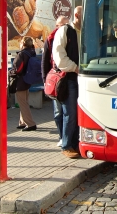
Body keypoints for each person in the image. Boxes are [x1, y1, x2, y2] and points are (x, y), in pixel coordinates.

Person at [52, 6, 82, 159]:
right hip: (69, 78)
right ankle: (66, 145)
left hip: (81, 79)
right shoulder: (65, 31)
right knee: (69, 113)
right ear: (77, 15)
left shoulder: (84, 31)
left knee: (78, 114)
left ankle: (76, 143)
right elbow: (59, 57)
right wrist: (75, 68)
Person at [41, 15, 69, 148]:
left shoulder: (71, 37)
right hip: (56, 81)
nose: (61, 28)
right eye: (59, 25)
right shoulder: (50, 39)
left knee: (69, 112)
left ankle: (68, 138)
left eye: (64, 25)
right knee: (58, 112)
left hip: (69, 79)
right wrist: (45, 81)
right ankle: (61, 136)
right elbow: (44, 62)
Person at [9, 36, 37, 132]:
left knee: (22, 103)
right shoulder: (32, 52)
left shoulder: (21, 54)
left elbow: (17, 69)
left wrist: (10, 72)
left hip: (20, 81)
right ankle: (22, 122)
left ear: (23, 43)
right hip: (27, 80)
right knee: (24, 101)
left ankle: (30, 124)